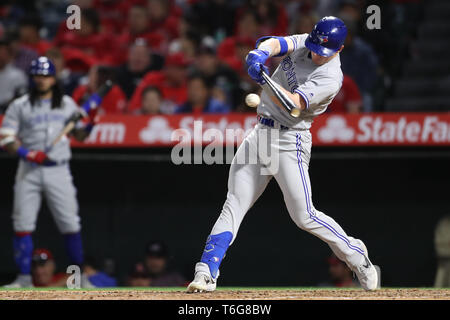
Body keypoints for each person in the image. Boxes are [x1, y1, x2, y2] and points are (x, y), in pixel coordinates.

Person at [186, 16, 379, 293]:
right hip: (260, 134)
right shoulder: (309, 41)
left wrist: (263, 79)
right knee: (234, 203)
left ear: (339, 49)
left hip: (290, 140)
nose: (316, 54)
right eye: (315, 47)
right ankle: (206, 271)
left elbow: (294, 105)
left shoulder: (331, 77)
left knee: (304, 216)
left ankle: (357, 256)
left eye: (324, 51)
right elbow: (277, 43)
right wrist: (259, 54)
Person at [0, 57, 98, 288]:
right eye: (38, 76)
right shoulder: (20, 105)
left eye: (46, 76)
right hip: (29, 169)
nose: (42, 80)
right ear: (32, 78)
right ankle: (24, 279)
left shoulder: (66, 104)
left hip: (58, 169)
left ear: (54, 78)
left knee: (70, 223)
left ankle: (80, 277)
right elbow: (6, 138)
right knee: (22, 223)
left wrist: (91, 122)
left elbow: (80, 136)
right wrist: (27, 153)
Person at [0, 35, 28, 113]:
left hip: (10, 111)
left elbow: (22, 98)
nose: (1, 56)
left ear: (9, 56)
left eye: (4, 53)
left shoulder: (18, 75)